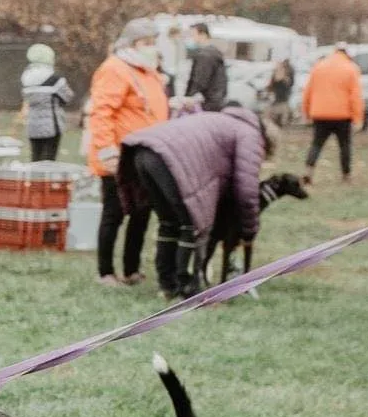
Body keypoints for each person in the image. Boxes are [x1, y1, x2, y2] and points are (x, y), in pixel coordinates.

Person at [121, 106, 275, 299]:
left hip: (144, 151)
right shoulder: (250, 134)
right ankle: (190, 290)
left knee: (169, 222)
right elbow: (246, 190)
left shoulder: (219, 120)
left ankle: (168, 286)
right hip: (171, 159)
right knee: (192, 225)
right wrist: (249, 231)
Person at [87, 20, 170, 287]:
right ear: (132, 44)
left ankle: (132, 269)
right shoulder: (115, 69)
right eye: (147, 43)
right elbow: (102, 112)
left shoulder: (148, 72)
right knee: (114, 213)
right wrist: (106, 151)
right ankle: (106, 271)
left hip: (146, 157)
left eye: (153, 42)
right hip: (119, 158)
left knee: (142, 214)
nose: (152, 48)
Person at [300, 43, 365, 184]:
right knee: (345, 146)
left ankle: (308, 172)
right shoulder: (351, 68)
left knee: (316, 144)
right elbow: (355, 96)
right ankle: (346, 176)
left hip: (320, 114)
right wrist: (358, 118)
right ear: (347, 53)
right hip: (342, 116)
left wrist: (306, 113)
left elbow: (307, 92)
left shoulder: (319, 66)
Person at [19, 43, 75, 162]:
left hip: (32, 125)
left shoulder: (26, 78)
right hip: (51, 126)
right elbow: (67, 97)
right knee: (49, 160)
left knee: (36, 157)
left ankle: (34, 180)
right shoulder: (55, 79)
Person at [182, 22, 229, 113]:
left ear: (203, 35)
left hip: (207, 103)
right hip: (216, 101)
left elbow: (199, 80)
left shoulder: (205, 55)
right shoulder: (215, 52)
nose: (191, 38)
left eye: (193, 35)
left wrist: (189, 97)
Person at [266, 57, 295, 124]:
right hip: (279, 91)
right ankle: (280, 119)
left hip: (283, 91)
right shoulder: (279, 70)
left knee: (282, 105)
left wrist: (284, 79)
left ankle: (283, 120)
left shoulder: (289, 70)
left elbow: (290, 82)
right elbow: (273, 81)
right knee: (279, 105)